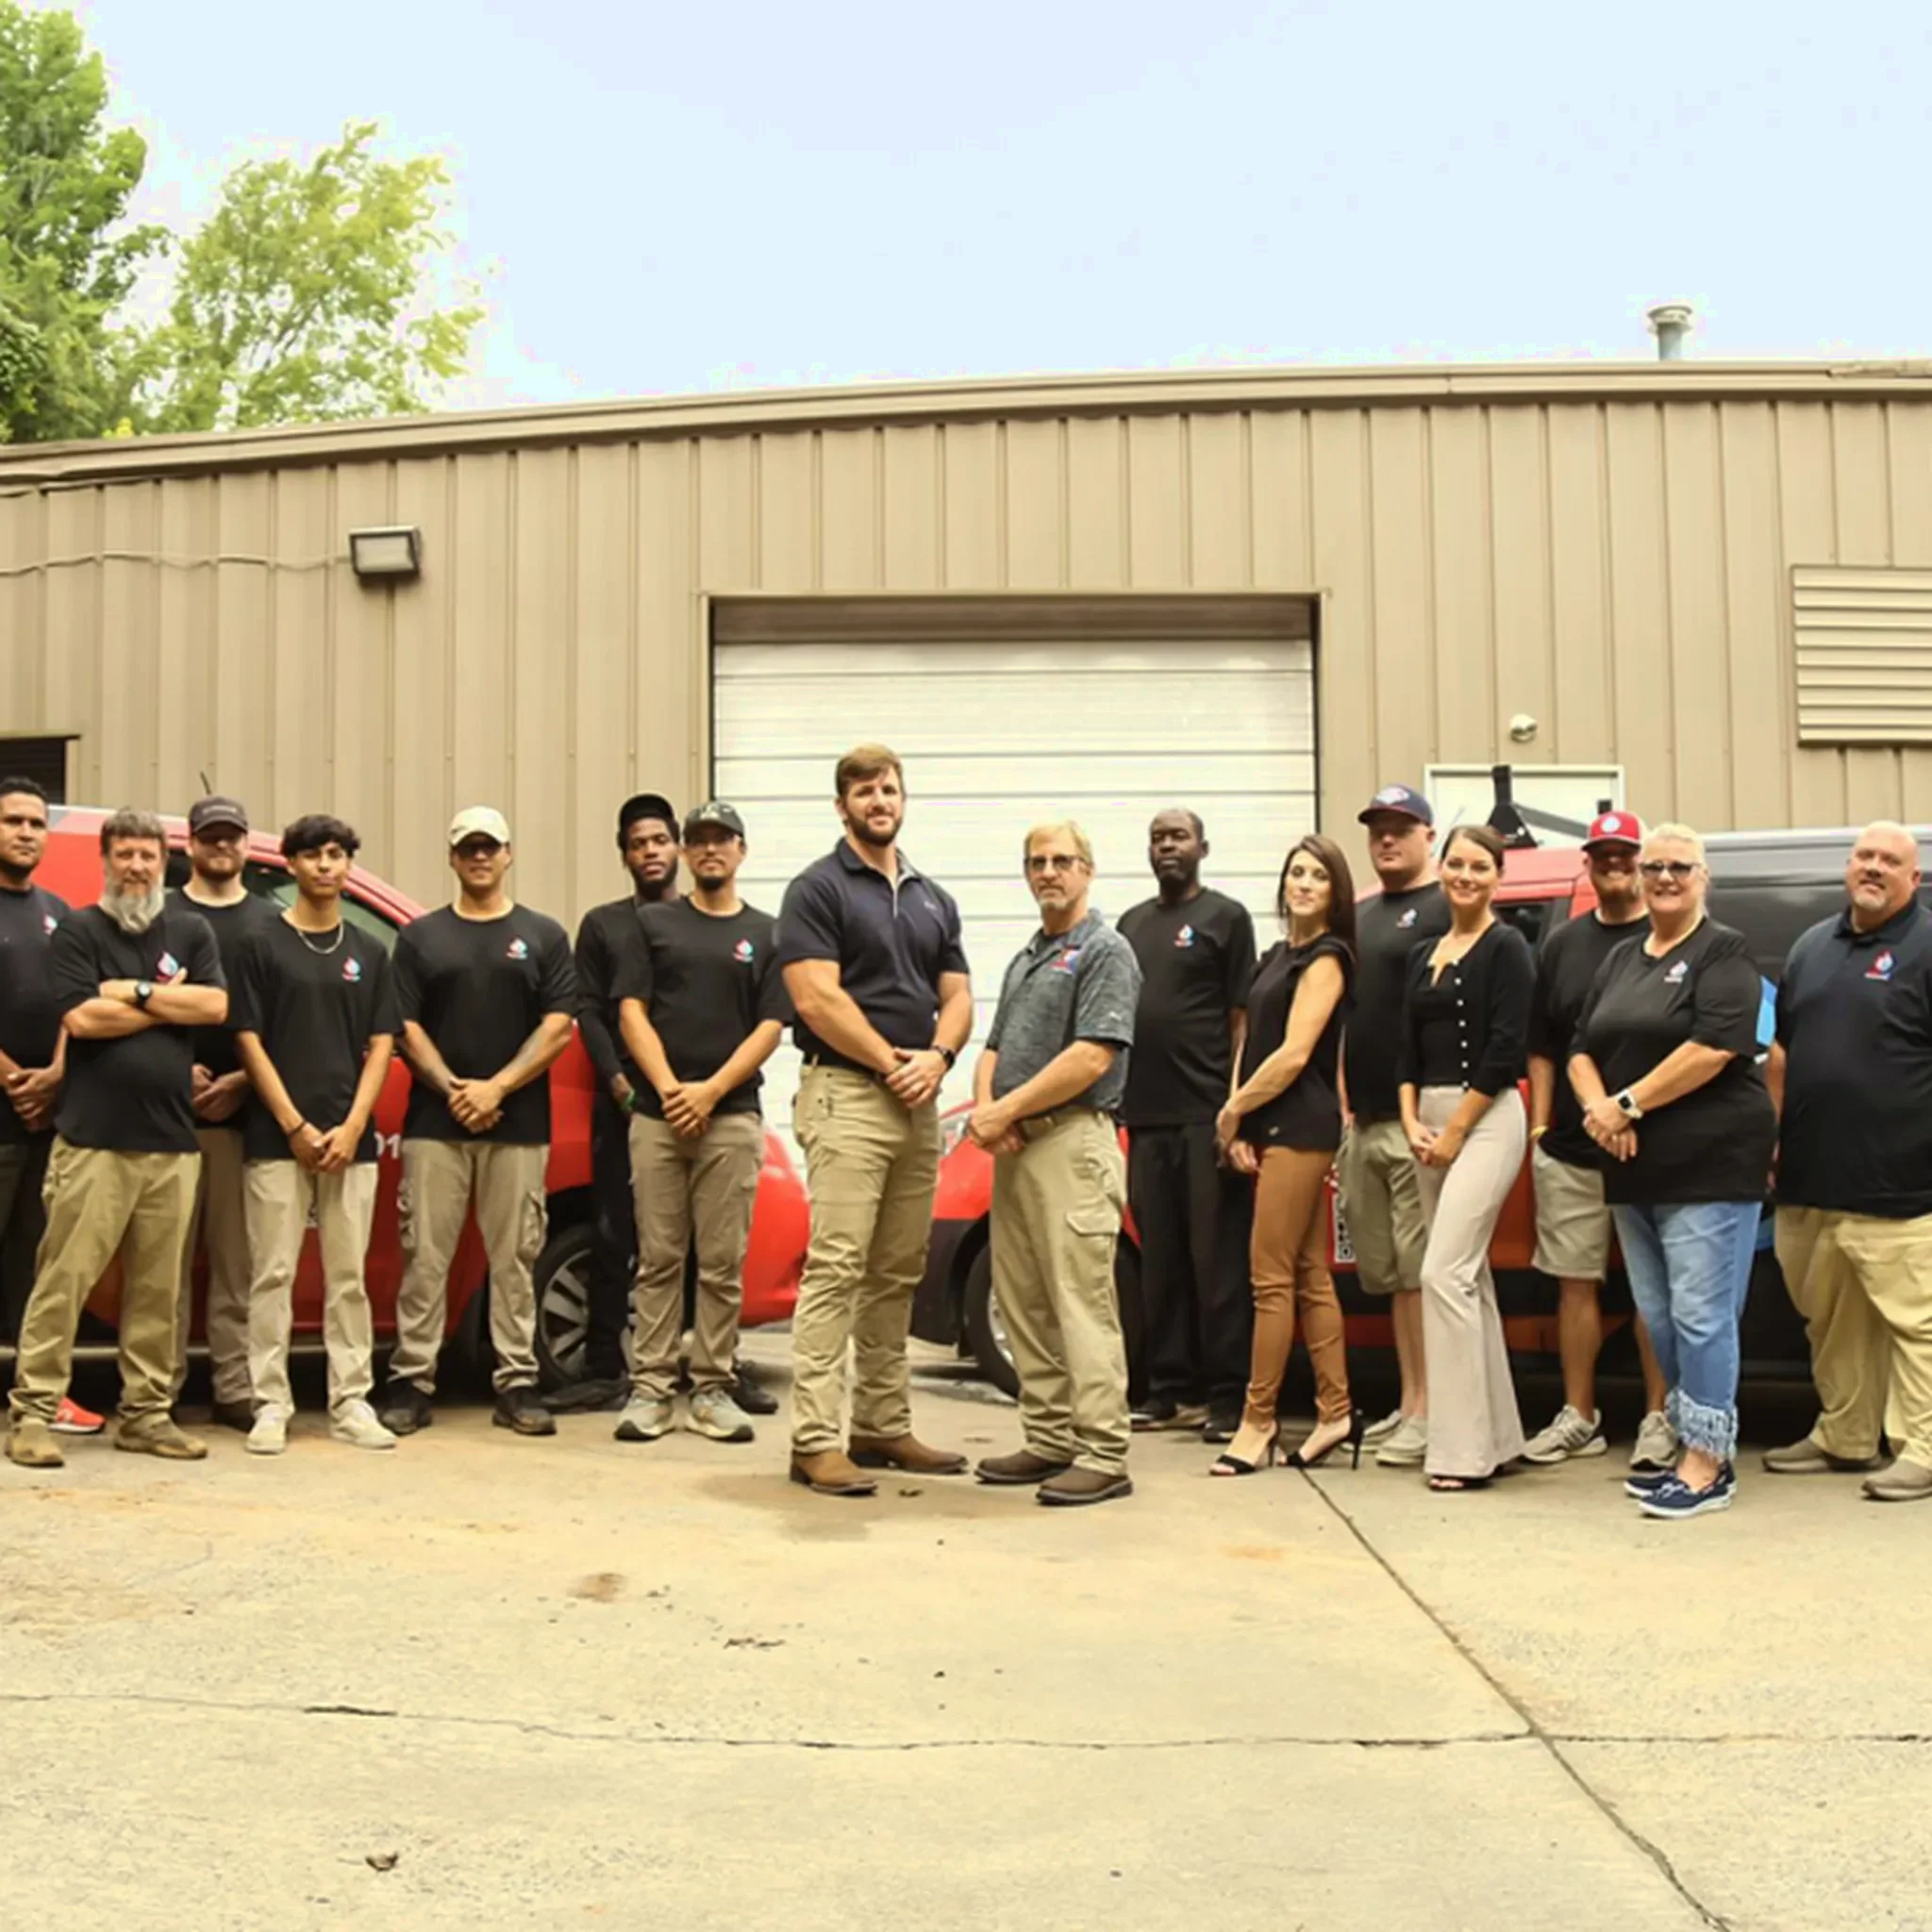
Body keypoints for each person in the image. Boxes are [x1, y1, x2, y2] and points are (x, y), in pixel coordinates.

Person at [777, 743, 974, 1498]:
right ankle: (814, 1440)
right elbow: (815, 998)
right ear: (842, 807)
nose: (878, 801)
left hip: (917, 1102)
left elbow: (957, 995)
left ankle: (882, 1424)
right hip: (849, 1097)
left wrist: (939, 1058)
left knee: (897, 1271)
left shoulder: (932, 898)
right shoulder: (817, 889)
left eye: (888, 789)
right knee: (837, 1267)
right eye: (863, 791)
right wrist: (894, 1063)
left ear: (903, 799)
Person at [6, 809, 226, 1469]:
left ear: (164, 863)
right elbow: (81, 1018)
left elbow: (214, 1006)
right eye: (125, 855)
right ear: (105, 861)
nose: (136, 867)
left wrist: (131, 992)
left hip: (172, 1143)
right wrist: (166, 1001)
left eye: (147, 856)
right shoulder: (79, 930)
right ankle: (33, 1413)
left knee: (158, 1291)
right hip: (92, 1141)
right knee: (63, 1281)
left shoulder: (190, 929)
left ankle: (146, 1415)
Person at [1571, 824, 1778, 1522]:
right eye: (1653, 866)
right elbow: (1580, 1046)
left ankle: (1708, 1464)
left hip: (1709, 1165)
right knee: (1660, 1318)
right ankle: (1694, 1444)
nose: (1664, 877)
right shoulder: (1622, 958)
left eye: (1680, 867)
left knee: (1701, 1316)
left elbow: (1716, 1045)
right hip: (1635, 1169)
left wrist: (1627, 1104)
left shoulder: (1724, 951)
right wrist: (1600, 1110)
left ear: (1703, 878)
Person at [379, 808, 576, 1440]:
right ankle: (412, 1380)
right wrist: (452, 1087)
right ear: (453, 858)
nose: (480, 857)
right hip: (435, 1124)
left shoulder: (543, 935)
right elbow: (404, 1026)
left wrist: (498, 1087)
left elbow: (558, 1026)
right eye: (469, 848)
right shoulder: (421, 938)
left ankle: (516, 1382)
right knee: (425, 1256)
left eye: (490, 847)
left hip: (518, 1124)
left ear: (509, 854)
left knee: (515, 1259)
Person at [968, 822, 1141, 1506]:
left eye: (1062, 860)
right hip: (1017, 1151)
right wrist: (988, 1112)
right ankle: (1048, 1437)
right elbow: (993, 1047)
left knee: (1081, 1301)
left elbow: (1093, 1055)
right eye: (1037, 862)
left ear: (1087, 870)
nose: (1049, 872)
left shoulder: (1105, 950)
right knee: (1023, 1299)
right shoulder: (1026, 957)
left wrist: (1005, 1112)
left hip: (1073, 1144)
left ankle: (1103, 1452)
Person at [1766, 821, 1932, 1504]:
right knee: (1831, 1321)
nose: (1873, 867)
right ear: (1847, 866)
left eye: (1890, 860)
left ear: (1914, 879)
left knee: (1917, 1324)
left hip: (1903, 1180)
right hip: (1810, 1177)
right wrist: (1775, 1138)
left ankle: (1923, 1448)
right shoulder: (1812, 945)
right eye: (1864, 855)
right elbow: (1782, 1052)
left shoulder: (1927, 945)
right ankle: (1846, 1433)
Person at [614, 802, 788, 1445]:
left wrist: (711, 1092)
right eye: (700, 841)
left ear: (741, 850)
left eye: (723, 839)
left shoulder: (768, 932)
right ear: (686, 854)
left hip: (732, 1118)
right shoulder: (653, 924)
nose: (711, 850)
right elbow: (630, 1011)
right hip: (658, 1118)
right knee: (659, 1259)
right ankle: (652, 1389)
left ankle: (712, 1388)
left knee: (721, 1262)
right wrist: (669, 1090)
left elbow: (771, 1025)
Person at [230, 815, 401, 1455]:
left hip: (351, 1139)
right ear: (291, 865)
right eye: (312, 855)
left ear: (349, 865)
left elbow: (382, 1043)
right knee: (272, 1273)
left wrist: (353, 1125)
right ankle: (270, 1404)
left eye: (335, 854)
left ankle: (351, 1401)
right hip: (277, 1138)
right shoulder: (260, 944)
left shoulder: (370, 951)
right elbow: (248, 1039)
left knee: (348, 1276)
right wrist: (293, 1124)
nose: (325, 865)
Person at [1523, 811, 1674, 1471]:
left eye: (1625, 854)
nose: (1614, 863)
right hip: (1571, 1150)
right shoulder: (1562, 944)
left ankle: (1659, 1418)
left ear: (1642, 863)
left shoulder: (1669, 936)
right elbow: (1542, 1046)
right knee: (1574, 1286)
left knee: (1653, 1290)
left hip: (1654, 1147)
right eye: (1602, 854)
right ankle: (1579, 1417)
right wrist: (1540, 1129)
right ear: (1587, 863)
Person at [1211, 835, 1358, 1475]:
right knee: (1308, 1272)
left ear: (1335, 892)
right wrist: (1238, 1117)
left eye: (1318, 876)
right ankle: (1336, 1412)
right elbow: (1250, 1040)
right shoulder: (1276, 957)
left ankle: (1258, 1420)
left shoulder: (1328, 958)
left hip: (1301, 1124)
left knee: (1269, 1279)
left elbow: (1296, 1054)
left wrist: (1235, 1110)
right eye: (1296, 872)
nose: (1303, 883)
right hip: (1267, 1120)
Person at [1398, 823, 1534, 1492]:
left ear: (1498, 878)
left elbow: (1506, 1048)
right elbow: (1403, 1046)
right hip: (1425, 1118)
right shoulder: (1422, 951)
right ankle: (1497, 1438)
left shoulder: (1507, 948)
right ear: (1441, 868)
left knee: (1443, 1273)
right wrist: (1409, 1120)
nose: (1465, 876)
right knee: (1469, 1277)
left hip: (1486, 1118)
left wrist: (1454, 1130)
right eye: (1456, 863)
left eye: (1480, 866)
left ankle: (1458, 1451)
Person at [1117, 808, 1257, 1441]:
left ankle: (1227, 1395)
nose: (1167, 846)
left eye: (1178, 837)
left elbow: (1240, 1020)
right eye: (1158, 838)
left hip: (1206, 1116)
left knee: (1217, 1262)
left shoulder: (1227, 918)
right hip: (1147, 1118)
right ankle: (1168, 1390)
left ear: (1203, 847)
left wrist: (1234, 1109)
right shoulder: (1131, 925)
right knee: (1161, 1262)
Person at [550, 791, 683, 1416]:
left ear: (677, 846)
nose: (650, 852)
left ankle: (713, 1367)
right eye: (637, 844)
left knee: (700, 1240)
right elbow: (589, 1011)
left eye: (659, 841)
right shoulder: (604, 925)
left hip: (698, 1101)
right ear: (623, 855)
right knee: (613, 1233)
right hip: (625, 1103)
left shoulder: (702, 918)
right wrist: (617, 1084)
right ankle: (605, 1367)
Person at [1340, 785, 1451, 1469]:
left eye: (1401, 828)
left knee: (1419, 1274)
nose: (1386, 839)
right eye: (1378, 828)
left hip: (1419, 1123)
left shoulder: (1445, 905)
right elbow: (1347, 1016)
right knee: (1388, 1277)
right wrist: (1345, 1106)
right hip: (1365, 1123)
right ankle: (1410, 1402)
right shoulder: (1358, 916)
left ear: (1428, 836)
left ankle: (1429, 1409)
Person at [0, 778, 100, 1439]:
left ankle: (37, 1394)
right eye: (13, 821)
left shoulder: (59, 912)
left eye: (36, 823)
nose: (26, 832)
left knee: (34, 1265)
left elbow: (76, 1002)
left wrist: (57, 1076)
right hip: (7, 1110)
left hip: (46, 1120)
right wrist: (15, 1079)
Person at [172, 795, 275, 1428]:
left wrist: (243, 1079)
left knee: (238, 1267)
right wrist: (173, 1069)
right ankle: (160, 1389)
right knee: (163, 1269)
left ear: (245, 844)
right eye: (210, 836)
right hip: (167, 1119)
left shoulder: (270, 921)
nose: (221, 846)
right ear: (190, 843)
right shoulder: (162, 915)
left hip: (243, 1120)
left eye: (231, 836)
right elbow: (140, 1007)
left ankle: (234, 1388)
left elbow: (286, 1017)